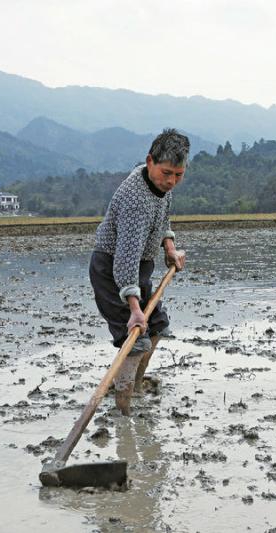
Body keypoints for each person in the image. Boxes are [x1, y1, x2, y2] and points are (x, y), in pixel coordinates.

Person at [89, 129, 188, 415]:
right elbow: (124, 263)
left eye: (178, 175)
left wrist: (169, 248)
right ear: (149, 161)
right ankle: (124, 411)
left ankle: (136, 383)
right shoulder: (135, 201)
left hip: (138, 269)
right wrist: (134, 309)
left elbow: (164, 218)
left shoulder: (159, 186)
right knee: (135, 340)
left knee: (156, 325)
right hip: (112, 272)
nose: (171, 181)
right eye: (166, 173)